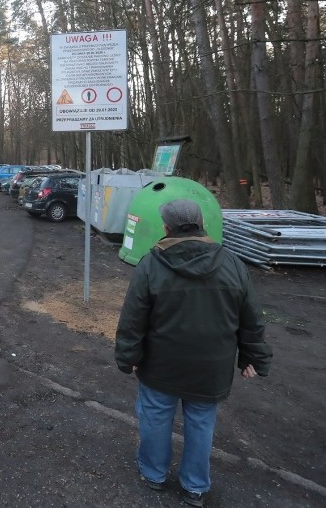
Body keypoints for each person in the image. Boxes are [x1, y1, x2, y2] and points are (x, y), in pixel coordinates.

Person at [114, 198, 272, 507]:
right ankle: (195, 486)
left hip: (161, 366)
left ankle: (155, 474)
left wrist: (128, 357)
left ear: (166, 227)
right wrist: (254, 357)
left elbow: (133, 320)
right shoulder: (233, 263)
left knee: (156, 418)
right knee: (201, 423)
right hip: (211, 370)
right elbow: (252, 318)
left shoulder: (150, 265)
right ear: (201, 224)